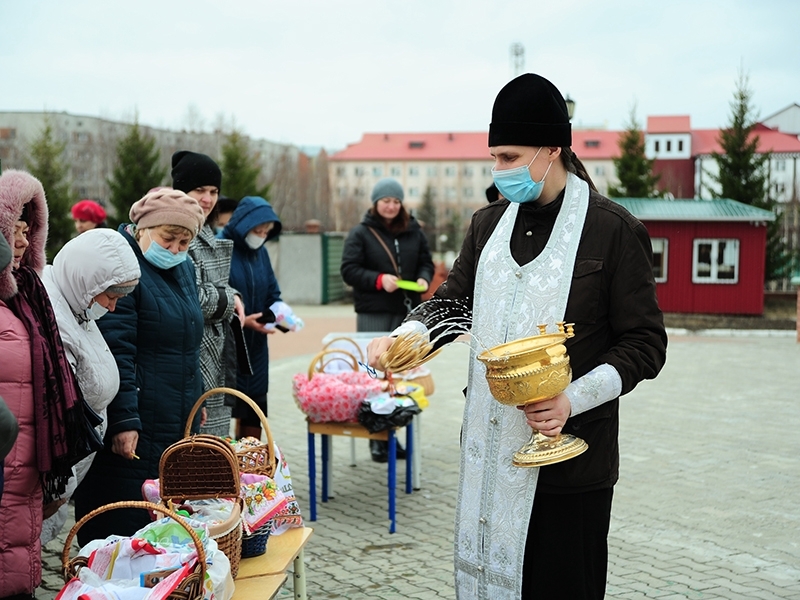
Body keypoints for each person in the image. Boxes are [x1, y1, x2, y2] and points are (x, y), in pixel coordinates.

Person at [367, 73, 667, 599]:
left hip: (570, 461)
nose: (498, 169)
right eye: (495, 158)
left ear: (553, 150)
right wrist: (404, 337)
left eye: (509, 157)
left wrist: (572, 399)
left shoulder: (612, 229)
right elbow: (453, 301)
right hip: (490, 451)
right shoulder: (488, 224)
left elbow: (645, 342)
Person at [74, 188, 206, 546]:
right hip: (134, 419)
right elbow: (117, 350)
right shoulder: (122, 268)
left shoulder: (183, 268)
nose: (176, 249)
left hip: (171, 416)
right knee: (122, 519)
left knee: (158, 522)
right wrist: (125, 420)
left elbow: (189, 341)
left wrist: (199, 399)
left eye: (185, 241)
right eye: (169, 238)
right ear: (143, 227)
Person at [1, 170, 88, 599]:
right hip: (6, 462)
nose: (19, 242)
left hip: (30, 465)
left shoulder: (30, 293)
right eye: (10, 230)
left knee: (19, 564)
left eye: (25, 231)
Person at [39, 229, 140, 545]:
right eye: (110, 297)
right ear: (89, 283)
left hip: (65, 476)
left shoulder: (76, 304)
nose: (112, 308)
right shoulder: (54, 313)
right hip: (50, 478)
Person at [341, 177, 434, 462]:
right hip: (374, 311)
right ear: (375, 203)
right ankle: (376, 438)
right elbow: (349, 270)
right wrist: (379, 280)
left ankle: (394, 433)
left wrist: (424, 278)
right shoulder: (361, 233)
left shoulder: (414, 230)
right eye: (386, 201)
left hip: (407, 313)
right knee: (376, 376)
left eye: (396, 201)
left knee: (402, 376)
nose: (391, 206)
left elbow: (426, 262)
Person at [172, 150, 244, 438]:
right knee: (198, 445)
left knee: (212, 444)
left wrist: (232, 294)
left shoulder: (206, 231)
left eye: (213, 191)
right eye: (199, 189)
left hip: (213, 351)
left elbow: (213, 286)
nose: (208, 198)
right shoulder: (177, 233)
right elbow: (190, 296)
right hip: (194, 352)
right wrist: (228, 299)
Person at [222, 195, 287, 440]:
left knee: (254, 412)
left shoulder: (262, 254)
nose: (260, 235)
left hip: (257, 349)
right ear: (243, 224)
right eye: (257, 230)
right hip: (228, 350)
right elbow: (217, 294)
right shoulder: (222, 247)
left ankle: (250, 470)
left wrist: (277, 315)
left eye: (265, 231)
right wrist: (243, 321)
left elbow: (273, 291)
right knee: (224, 413)